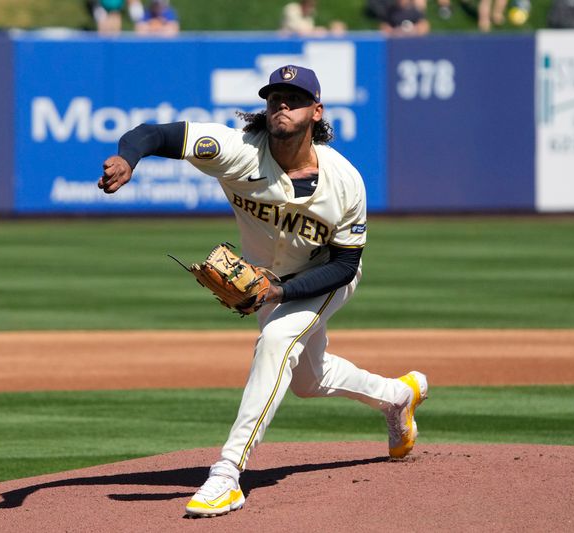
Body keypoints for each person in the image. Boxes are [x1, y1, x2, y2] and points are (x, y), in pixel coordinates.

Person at [98, 65, 429, 517]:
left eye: (293, 98)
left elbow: (345, 264)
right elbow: (153, 134)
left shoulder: (345, 181)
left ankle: (227, 474)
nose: (281, 104)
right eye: (275, 96)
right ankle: (398, 395)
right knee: (309, 381)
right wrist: (127, 160)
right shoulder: (237, 152)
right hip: (267, 282)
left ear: (317, 111)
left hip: (323, 276)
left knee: (276, 341)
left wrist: (281, 290)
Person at [280, 0, 347, 36]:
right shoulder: (292, 9)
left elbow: (307, 32)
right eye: (311, 5)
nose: (312, 9)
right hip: (285, 47)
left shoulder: (309, 16)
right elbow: (300, 30)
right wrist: (317, 31)